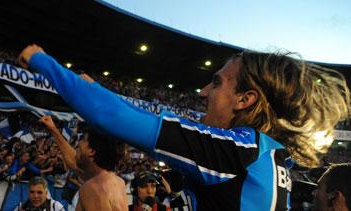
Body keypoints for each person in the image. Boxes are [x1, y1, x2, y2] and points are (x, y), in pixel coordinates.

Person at [19, 45, 351, 210]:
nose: (204, 93)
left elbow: (113, 118)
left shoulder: (234, 151)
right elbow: (145, 121)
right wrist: (97, 92)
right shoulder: (266, 155)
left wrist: (40, 60)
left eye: (216, 83)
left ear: (244, 100)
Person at [39, 116, 128, 211]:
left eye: (83, 140)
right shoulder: (116, 182)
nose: (78, 144)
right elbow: (74, 161)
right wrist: (54, 130)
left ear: (91, 151)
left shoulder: (93, 188)